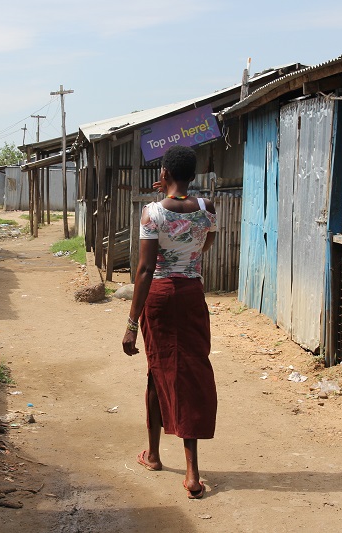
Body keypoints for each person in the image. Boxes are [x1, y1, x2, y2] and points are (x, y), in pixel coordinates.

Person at [122, 145, 217, 500]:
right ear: (192, 174)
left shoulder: (151, 213)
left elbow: (145, 269)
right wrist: (185, 254)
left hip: (160, 297)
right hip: (191, 293)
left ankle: (155, 455)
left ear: (163, 174)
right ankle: (192, 472)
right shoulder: (207, 208)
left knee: (158, 369)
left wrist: (132, 323)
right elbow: (205, 244)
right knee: (190, 371)